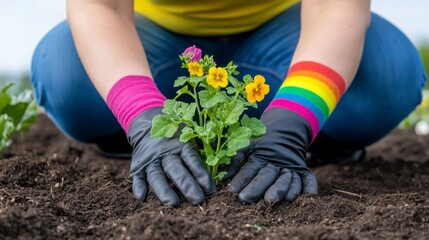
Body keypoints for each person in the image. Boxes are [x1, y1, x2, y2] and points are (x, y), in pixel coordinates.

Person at [31, 0, 426, 207]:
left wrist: (294, 120)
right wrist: (142, 115)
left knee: (387, 74)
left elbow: (334, 4)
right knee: (66, 73)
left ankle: (309, 141)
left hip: (288, 37)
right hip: (160, 45)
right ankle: (137, 140)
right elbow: (99, 4)